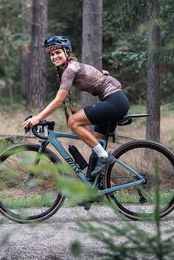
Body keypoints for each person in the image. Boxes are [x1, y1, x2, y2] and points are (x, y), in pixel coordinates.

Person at [22, 35, 130, 176]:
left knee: (73, 122)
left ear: (67, 52)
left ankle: (105, 157)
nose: (54, 56)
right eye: (52, 54)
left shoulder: (71, 69)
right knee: (97, 147)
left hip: (115, 101)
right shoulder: (72, 67)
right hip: (114, 101)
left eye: (58, 52)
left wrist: (38, 117)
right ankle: (94, 191)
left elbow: (58, 100)